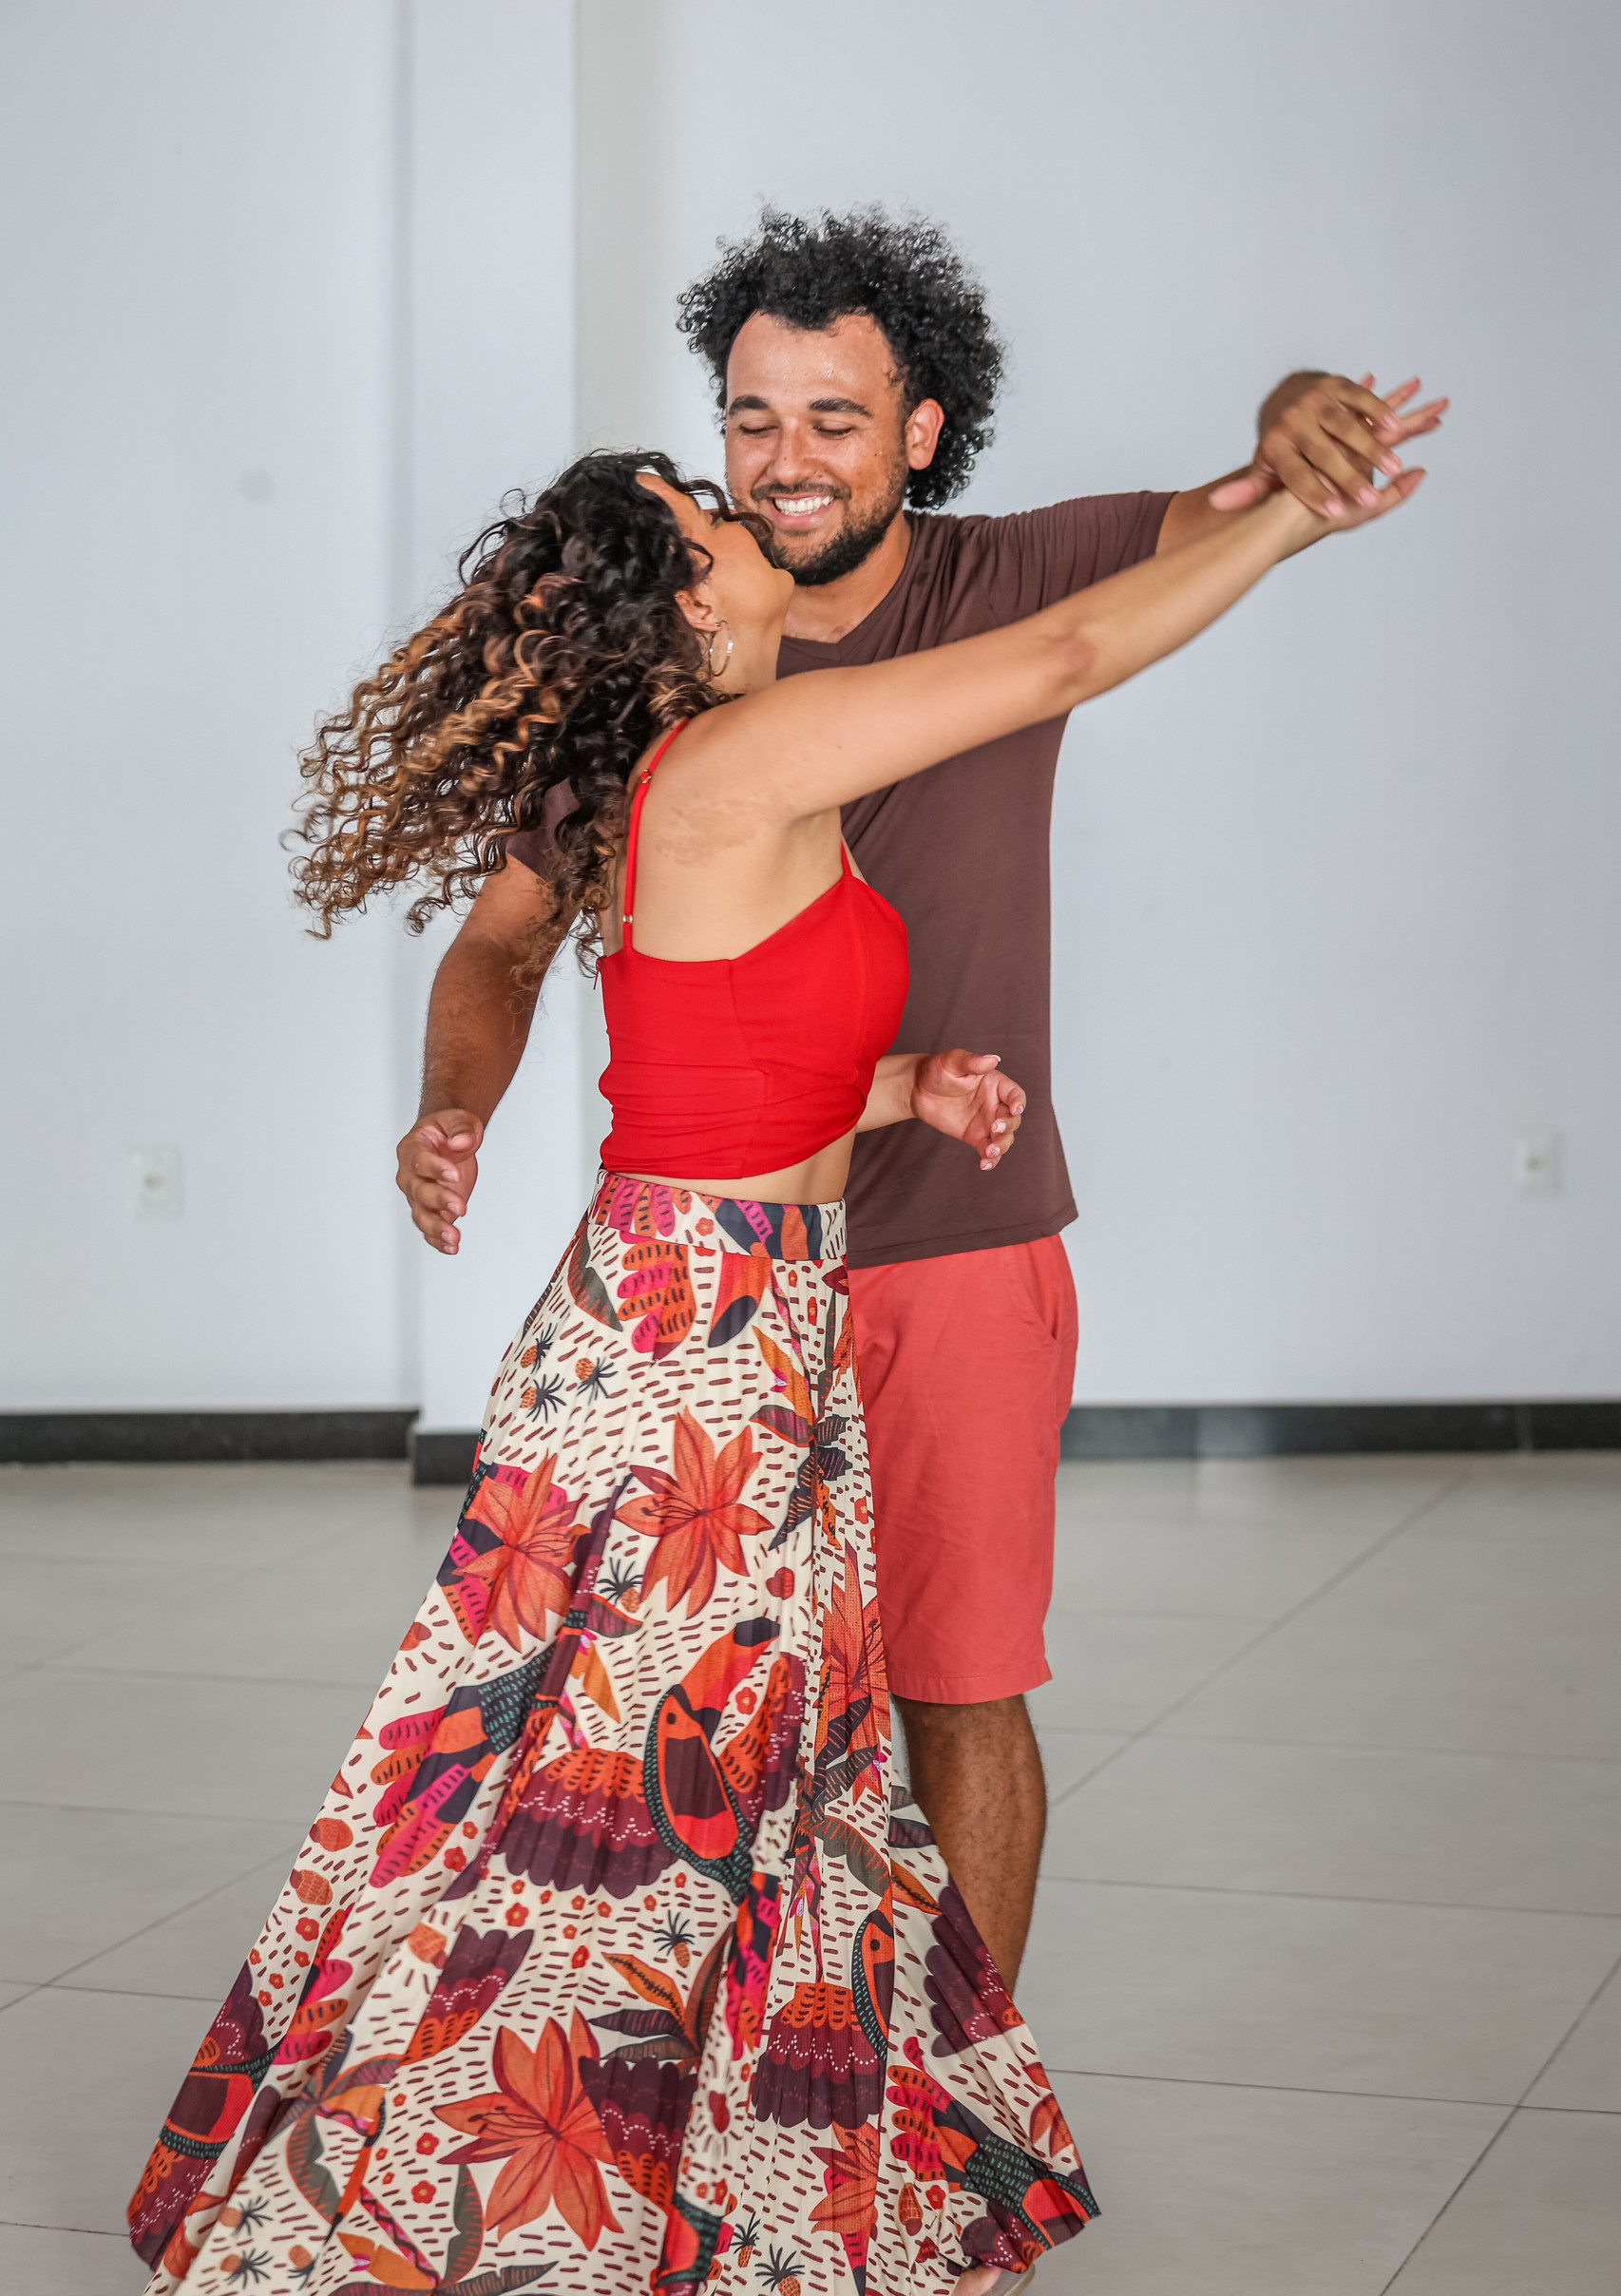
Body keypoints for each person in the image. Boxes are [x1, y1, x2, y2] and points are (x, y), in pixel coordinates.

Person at [124, 430, 1419, 2296]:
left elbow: (708, 1055)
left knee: (725, 1792)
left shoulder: (689, 780)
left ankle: (737, 2214)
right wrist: (1295, 524)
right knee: (634, 1811)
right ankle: (499, 2246)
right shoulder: (735, 756)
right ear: (679, 607)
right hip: (695, 1352)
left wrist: (900, 1092)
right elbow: (1063, 655)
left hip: (723, 1317)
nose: (753, 536)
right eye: (718, 527)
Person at [400, 208, 1448, 1999]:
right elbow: (500, 942)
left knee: (957, 1687)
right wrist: (456, 1104)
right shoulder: (659, 678)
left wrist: (1294, 420)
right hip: (728, 1293)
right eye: (750, 421)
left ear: (919, 429)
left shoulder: (1001, 576)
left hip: (948, 1244)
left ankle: (947, 2095)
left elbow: (1209, 517)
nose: (783, 460)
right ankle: (728, 2092)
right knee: (704, 1719)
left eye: (832, 417)